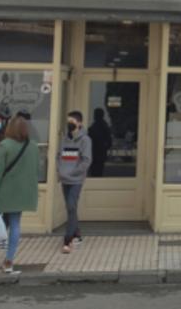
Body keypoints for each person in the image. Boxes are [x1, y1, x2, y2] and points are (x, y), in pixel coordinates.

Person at [0, 116, 39, 273]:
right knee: (15, 224)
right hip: (22, 192)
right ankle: (9, 261)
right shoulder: (33, 146)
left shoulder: (4, 145)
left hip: (2, 192)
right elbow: (35, 170)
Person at [57, 111, 92, 254]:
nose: (69, 124)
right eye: (68, 121)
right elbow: (59, 156)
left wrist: (73, 173)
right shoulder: (65, 139)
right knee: (70, 207)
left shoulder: (85, 140)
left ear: (79, 123)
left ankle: (68, 239)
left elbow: (86, 160)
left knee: (71, 206)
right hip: (64, 179)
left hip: (76, 180)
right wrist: (60, 170)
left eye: (71, 121)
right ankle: (77, 233)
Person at [87, 107, 113, 178]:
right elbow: (109, 141)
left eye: (95, 114)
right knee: (98, 172)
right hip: (99, 152)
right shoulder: (104, 126)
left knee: (95, 172)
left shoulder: (96, 126)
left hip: (96, 152)